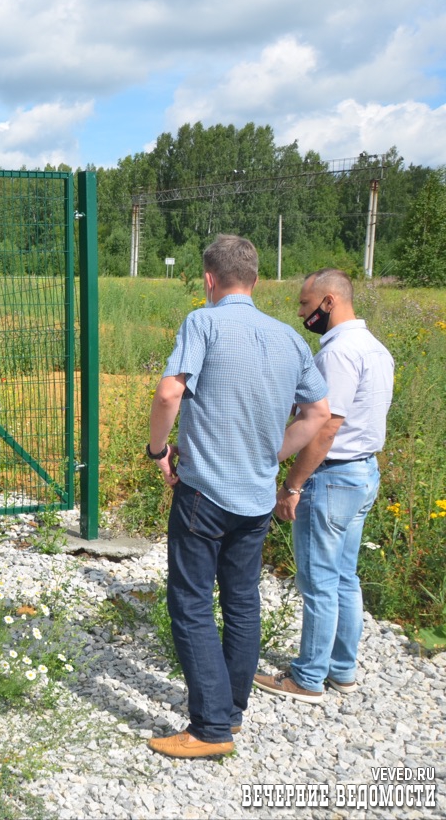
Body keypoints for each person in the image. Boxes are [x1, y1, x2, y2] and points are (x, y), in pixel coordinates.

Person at [145, 235, 330, 759]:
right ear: (253, 280)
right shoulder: (290, 339)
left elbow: (168, 392)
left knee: (191, 603)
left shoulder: (202, 322)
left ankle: (209, 729)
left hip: (204, 492)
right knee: (243, 602)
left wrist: (158, 449)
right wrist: (272, 454)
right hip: (254, 496)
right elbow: (318, 415)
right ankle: (232, 713)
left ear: (209, 279)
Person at [253, 269, 393, 703]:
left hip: (331, 476)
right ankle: (341, 670)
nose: (301, 313)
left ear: (328, 302)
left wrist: (293, 485)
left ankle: (308, 677)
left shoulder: (339, 353)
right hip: (363, 472)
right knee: (344, 578)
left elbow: (326, 426)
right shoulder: (375, 348)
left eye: (304, 304)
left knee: (317, 584)